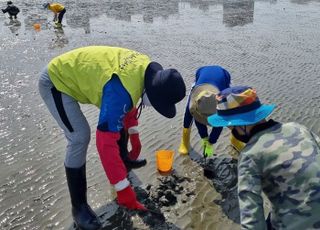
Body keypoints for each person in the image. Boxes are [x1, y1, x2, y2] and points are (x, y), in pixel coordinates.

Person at [38, 46, 186, 229]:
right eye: (158, 104)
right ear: (153, 93)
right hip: (56, 81)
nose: (154, 107)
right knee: (79, 136)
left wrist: (134, 135)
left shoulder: (144, 70)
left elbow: (129, 102)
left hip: (88, 75)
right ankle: (79, 208)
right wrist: (123, 189)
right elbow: (105, 143)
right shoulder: (121, 90)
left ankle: (123, 162)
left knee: (116, 119)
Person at [208, 86, 320, 229]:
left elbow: (252, 219)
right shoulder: (299, 128)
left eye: (230, 127)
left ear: (241, 124)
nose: (230, 131)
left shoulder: (250, 155)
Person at [178, 65, 244, 157]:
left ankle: (235, 139)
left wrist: (211, 142)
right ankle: (185, 141)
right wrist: (204, 138)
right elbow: (198, 120)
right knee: (188, 117)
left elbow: (219, 124)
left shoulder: (223, 101)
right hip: (201, 75)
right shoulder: (194, 104)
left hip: (224, 77)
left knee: (233, 112)